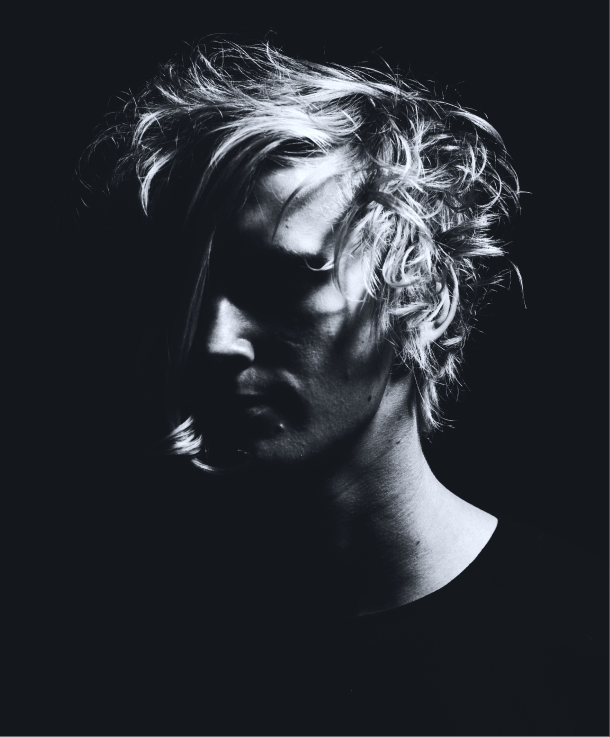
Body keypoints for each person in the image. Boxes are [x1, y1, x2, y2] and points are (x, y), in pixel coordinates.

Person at [65, 40, 605, 737]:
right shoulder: (127, 648)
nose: (212, 342)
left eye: (283, 282)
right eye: (188, 293)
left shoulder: (582, 641)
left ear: (419, 293)